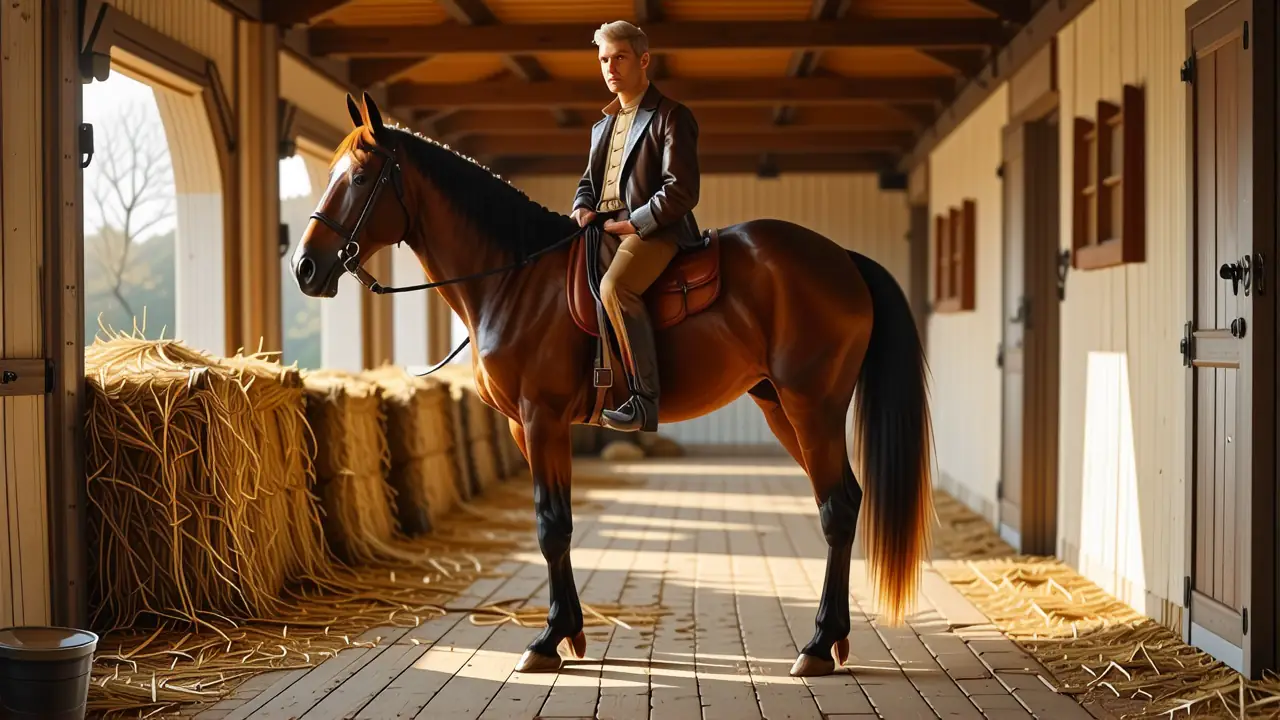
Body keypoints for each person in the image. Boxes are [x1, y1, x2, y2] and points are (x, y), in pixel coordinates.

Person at [570, 20, 704, 433]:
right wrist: (582, 206)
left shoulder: (672, 116)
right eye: (603, 60)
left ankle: (644, 401)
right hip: (602, 227)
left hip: (655, 230)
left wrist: (635, 223)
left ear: (644, 60)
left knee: (616, 287)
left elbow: (681, 190)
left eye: (620, 58)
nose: (610, 68)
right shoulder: (601, 126)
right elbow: (588, 182)